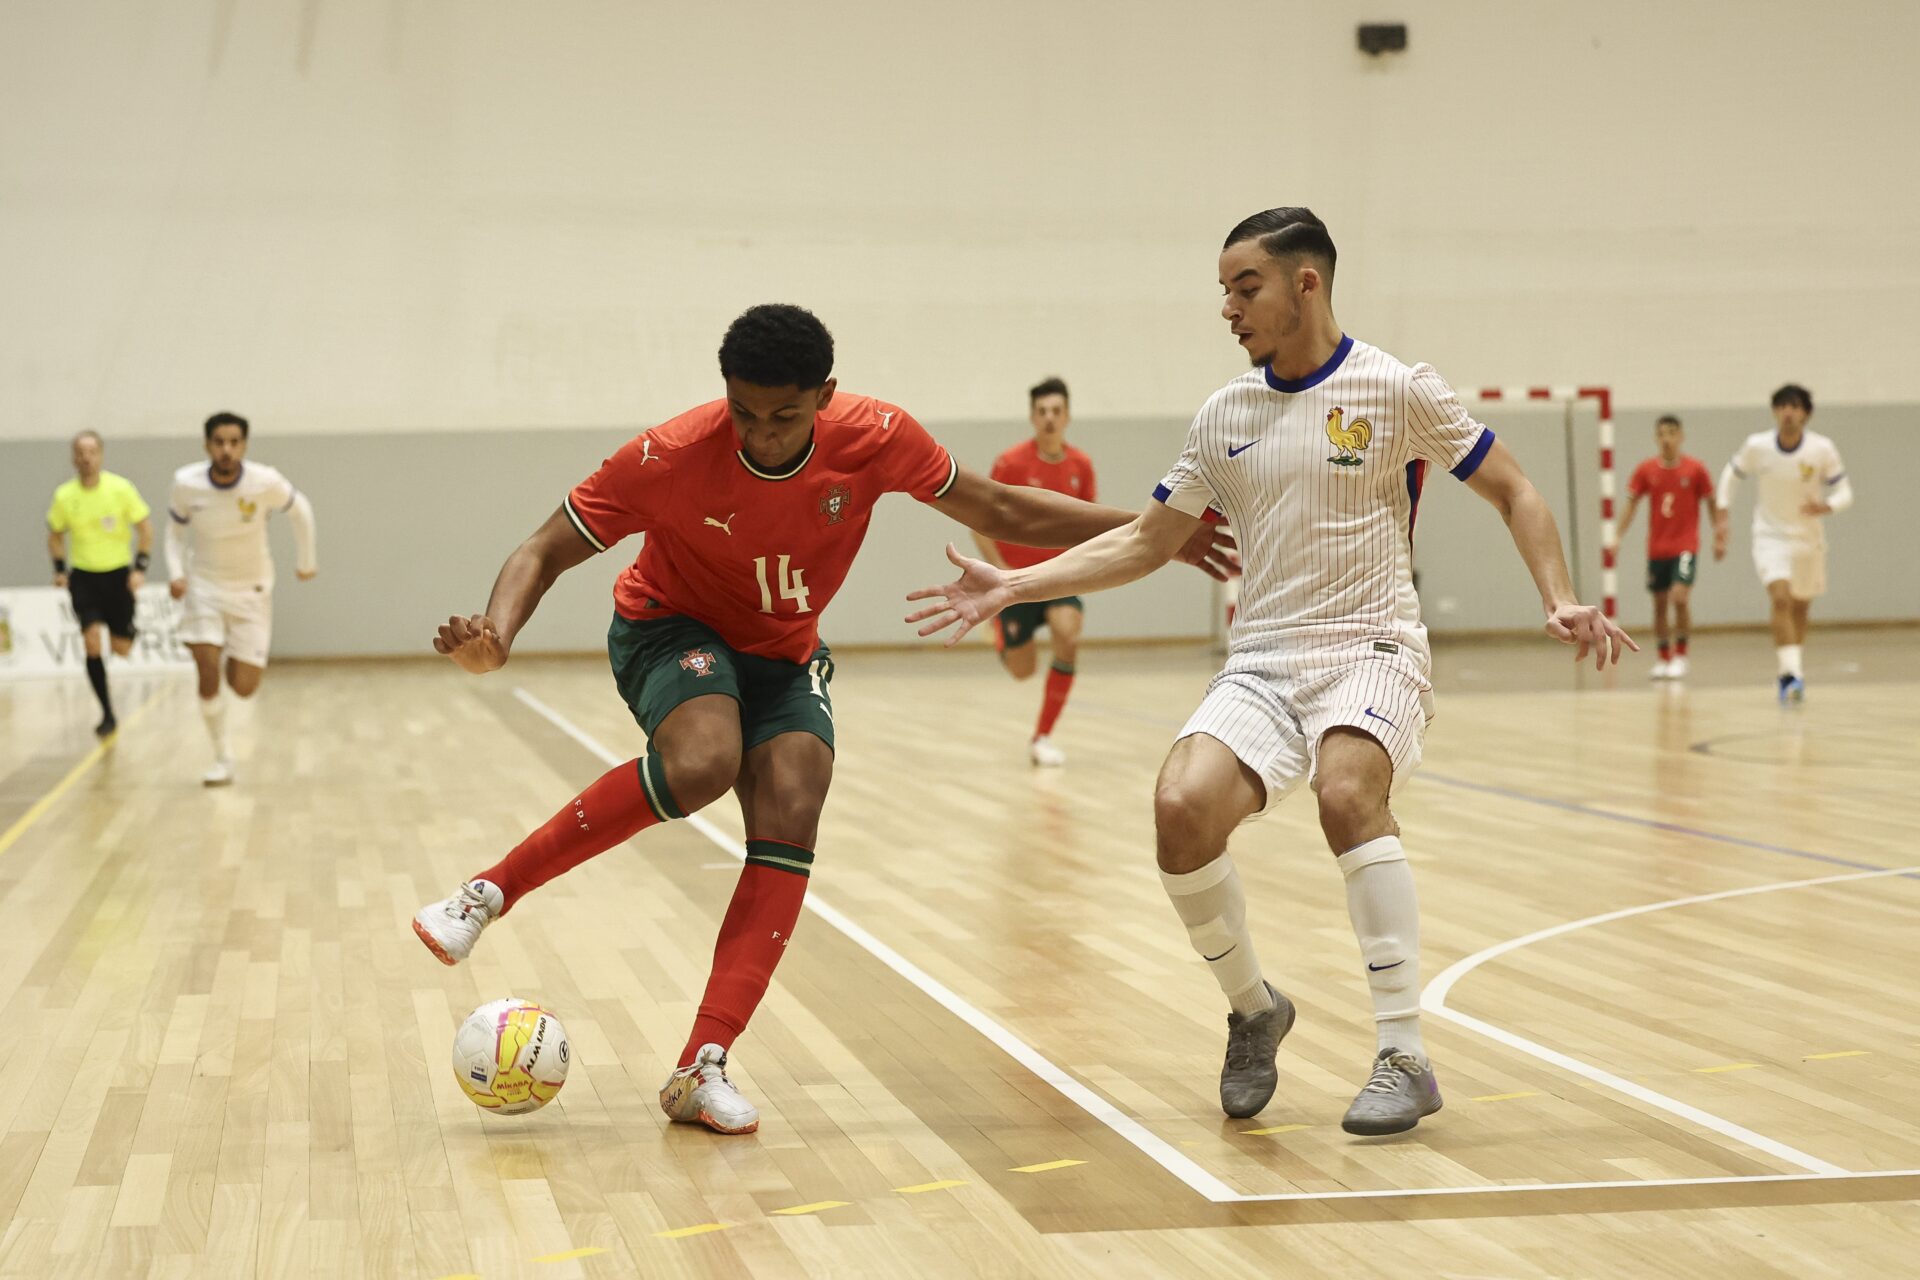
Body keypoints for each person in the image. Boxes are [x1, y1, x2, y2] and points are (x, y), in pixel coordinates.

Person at [413, 304, 1234, 1136]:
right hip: (670, 629)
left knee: (795, 802)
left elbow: (1004, 510)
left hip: (784, 651)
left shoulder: (876, 436)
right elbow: (545, 546)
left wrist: (1155, 532)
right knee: (702, 761)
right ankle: (488, 892)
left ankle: (702, 1066)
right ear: (723, 395)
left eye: (784, 417)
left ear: (825, 397)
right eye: (744, 413)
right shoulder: (670, 453)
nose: (762, 435)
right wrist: (499, 635)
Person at [908, 209, 1631, 1136]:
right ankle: (1255, 1007)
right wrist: (1013, 583)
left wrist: (1557, 594)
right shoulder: (1225, 415)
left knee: (1345, 792)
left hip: (1373, 647)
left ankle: (1403, 1054)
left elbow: (1514, 488)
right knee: (1180, 811)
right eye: (1222, 290)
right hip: (1263, 661)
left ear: (1306, 283)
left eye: (1243, 287)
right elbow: (1145, 540)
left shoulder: (1396, 389)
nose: (1228, 307)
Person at [165, 411, 319, 785]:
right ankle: (221, 756)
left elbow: (302, 510)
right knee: (205, 665)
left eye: (234, 442)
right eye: (219, 442)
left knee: (244, 687)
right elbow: (173, 533)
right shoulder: (186, 483)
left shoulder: (264, 481)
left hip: (252, 589)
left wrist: (306, 561)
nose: (226, 449)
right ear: (207, 445)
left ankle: (235, 664)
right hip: (203, 587)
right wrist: (176, 574)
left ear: (244, 445)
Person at [969, 377, 1097, 766]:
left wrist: (1084, 567)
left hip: (1059, 577)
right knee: (1023, 671)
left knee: (1067, 637)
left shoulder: (1081, 466)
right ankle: (1000, 634)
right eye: (1042, 412)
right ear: (1032, 417)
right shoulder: (1011, 463)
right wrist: (1001, 571)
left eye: (1056, 411)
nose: (1049, 418)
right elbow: (980, 521)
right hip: (1015, 584)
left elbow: (1088, 524)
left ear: (1068, 416)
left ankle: (1042, 736)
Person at [1712, 384, 1850, 703]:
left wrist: (1828, 506)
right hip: (1769, 536)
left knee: (1800, 605)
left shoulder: (1822, 449)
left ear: (1806, 413)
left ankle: (1791, 670)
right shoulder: (1757, 446)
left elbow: (1845, 492)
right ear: (1775, 411)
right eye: (1783, 406)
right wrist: (1722, 518)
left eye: (1795, 406)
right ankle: (1791, 676)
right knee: (1781, 599)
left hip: (1808, 539)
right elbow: (1731, 476)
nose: (1789, 412)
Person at [46, 430, 153, 736]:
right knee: (91, 640)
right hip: (84, 578)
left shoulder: (120, 489)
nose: (86, 458)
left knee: (121, 649)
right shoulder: (65, 496)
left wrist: (140, 567)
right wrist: (59, 568)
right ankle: (107, 713)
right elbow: (54, 535)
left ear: (101, 454)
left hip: (117, 575)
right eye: (80, 452)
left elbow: (145, 529)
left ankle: (128, 631)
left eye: (92, 451)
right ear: (73, 457)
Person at [1617, 415, 1717, 679]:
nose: (1667, 439)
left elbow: (1711, 502)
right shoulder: (1646, 470)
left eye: (1672, 433)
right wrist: (1616, 536)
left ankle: (1681, 655)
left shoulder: (1695, 469)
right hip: (1657, 548)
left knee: (1680, 598)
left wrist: (1719, 534)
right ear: (1655, 438)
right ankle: (1663, 657)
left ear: (1681, 436)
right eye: (1662, 434)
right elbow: (1631, 504)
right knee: (1660, 604)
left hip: (1685, 545)